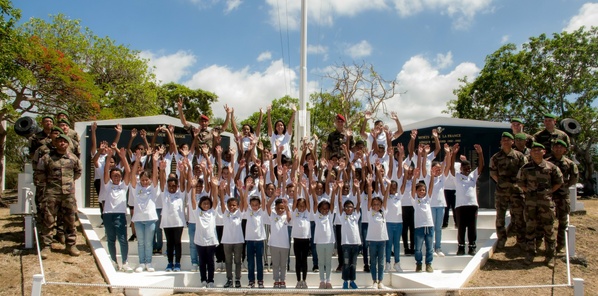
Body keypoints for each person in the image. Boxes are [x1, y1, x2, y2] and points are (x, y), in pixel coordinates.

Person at [35, 134, 82, 259]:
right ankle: (46, 246)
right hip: (51, 194)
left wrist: (68, 183)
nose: (62, 143)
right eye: (59, 141)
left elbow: (78, 172)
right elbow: (40, 173)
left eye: (64, 141)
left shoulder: (73, 158)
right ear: (55, 143)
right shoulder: (47, 158)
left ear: (67, 144)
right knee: (48, 220)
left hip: (68, 195)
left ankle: (71, 245)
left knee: (70, 221)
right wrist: (50, 184)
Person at [518, 142, 563, 267]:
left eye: (539, 150)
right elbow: (520, 182)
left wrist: (548, 192)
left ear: (544, 152)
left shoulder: (551, 167)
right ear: (531, 153)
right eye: (534, 150)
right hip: (530, 204)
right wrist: (530, 192)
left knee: (548, 229)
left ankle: (549, 256)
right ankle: (530, 254)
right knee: (530, 229)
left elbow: (559, 182)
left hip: (546, 204)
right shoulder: (525, 168)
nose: (536, 152)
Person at [489, 132, 527, 250]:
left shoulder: (519, 156)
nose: (505, 142)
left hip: (516, 192)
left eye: (508, 140)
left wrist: (518, 185)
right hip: (501, 192)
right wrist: (501, 183)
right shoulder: (495, 157)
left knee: (519, 216)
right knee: (500, 217)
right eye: (503, 140)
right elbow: (493, 173)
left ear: (512, 142)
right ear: (501, 142)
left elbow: (525, 172)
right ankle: (501, 239)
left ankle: (521, 240)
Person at [102, 146, 133, 272]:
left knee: (122, 239)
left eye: (118, 175)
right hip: (108, 214)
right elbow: (105, 171)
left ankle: (125, 262)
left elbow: (128, 171)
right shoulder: (107, 185)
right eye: (114, 175)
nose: (116, 177)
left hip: (120, 215)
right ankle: (114, 262)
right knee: (111, 239)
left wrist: (122, 156)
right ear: (110, 177)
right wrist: (109, 156)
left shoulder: (123, 186)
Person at [450, 143, 484, 256]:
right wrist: (453, 154)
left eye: (469, 168)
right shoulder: (457, 177)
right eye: (465, 168)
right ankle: (461, 247)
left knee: (472, 227)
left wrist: (480, 153)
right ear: (461, 168)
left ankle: (472, 246)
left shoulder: (473, 176)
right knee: (461, 227)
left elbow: (481, 166)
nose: (467, 170)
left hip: (472, 205)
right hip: (460, 206)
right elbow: (450, 168)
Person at [129, 149, 160, 273]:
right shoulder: (136, 189)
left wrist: (155, 161)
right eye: (142, 180)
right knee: (141, 242)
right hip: (138, 219)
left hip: (150, 219)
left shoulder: (152, 190)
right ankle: (141, 263)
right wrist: (137, 161)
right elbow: (132, 175)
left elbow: (156, 176)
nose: (144, 182)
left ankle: (149, 262)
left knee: (148, 243)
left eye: (147, 180)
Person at [547, 140, 577, 256]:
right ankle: (549, 246)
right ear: (553, 148)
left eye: (561, 147)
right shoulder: (547, 162)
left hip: (563, 195)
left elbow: (574, 178)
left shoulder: (570, 164)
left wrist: (564, 186)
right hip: (550, 195)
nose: (558, 149)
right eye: (556, 147)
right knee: (548, 221)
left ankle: (561, 245)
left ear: (565, 150)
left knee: (563, 221)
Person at [190, 176, 219, 288]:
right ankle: (203, 280)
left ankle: (211, 280)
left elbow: (215, 199)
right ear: (200, 205)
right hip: (200, 241)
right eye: (204, 204)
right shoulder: (197, 212)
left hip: (211, 241)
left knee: (210, 262)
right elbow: (193, 200)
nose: (206, 205)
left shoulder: (212, 212)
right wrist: (193, 187)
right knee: (202, 262)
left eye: (208, 203)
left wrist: (215, 187)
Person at [311, 181, 337, 289]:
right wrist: (313, 191)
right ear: (319, 209)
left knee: (328, 262)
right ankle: (322, 280)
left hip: (330, 241)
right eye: (323, 208)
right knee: (321, 262)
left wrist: (334, 191)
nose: (325, 210)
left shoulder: (330, 216)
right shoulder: (317, 216)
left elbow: (332, 203)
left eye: (327, 208)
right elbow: (316, 203)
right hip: (319, 242)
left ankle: (328, 280)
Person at [411, 161, 435, 273]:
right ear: (416, 191)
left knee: (430, 247)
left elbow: (431, 188)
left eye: (423, 190)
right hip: (419, 226)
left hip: (429, 225)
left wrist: (433, 177)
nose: (422, 192)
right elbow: (412, 191)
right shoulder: (415, 200)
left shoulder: (427, 199)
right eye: (420, 190)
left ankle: (429, 264)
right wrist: (415, 178)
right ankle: (419, 264)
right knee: (418, 248)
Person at [339, 179, 362, 289]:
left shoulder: (355, 216)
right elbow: (339, 202)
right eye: (347, 207)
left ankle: (352, 281)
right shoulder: (342, 216)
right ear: (344, 209)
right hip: (346, 244)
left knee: (353, 264)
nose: (349, 208)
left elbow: (359, 202)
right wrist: (339, 189)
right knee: (346, 263)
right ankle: (345, 281)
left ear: (353, 208)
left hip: (355, 243)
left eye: (351, 207)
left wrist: (357, 188)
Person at [267, 196, 291, 288]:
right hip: (274, 244)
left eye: (282, 208)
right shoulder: (272, 216)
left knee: (283, 264)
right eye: (278, 208)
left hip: (284, 245)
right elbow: (267, 206)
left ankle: (283, 280)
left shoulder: (285, 216)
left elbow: (289, 217)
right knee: (276, 264)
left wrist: (287, 206)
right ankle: (276, 280)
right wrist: (274, 196)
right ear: (275, 208)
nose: (280, 210)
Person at [291, 181, 311, 289]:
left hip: (306, 239)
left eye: (303, 206)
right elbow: (294, 200)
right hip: (297, 239)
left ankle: (304, 280)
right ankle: (298, 280)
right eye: (300, 206)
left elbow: (307, 200)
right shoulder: (295, 212)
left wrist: (305, 189)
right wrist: (295, 188)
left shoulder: (307, 213)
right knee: (298, 260)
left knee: (304, 261)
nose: (302, 208)